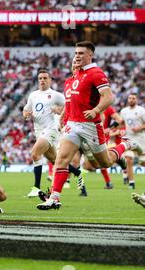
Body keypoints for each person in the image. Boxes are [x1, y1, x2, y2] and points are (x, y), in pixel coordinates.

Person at [38, 41, 140, 210]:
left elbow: (108, 97)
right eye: (75, 53)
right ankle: (54, 199)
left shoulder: (96, 73)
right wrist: (63, 118)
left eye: (80, 53)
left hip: (91, 125)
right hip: (73, 125)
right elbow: (70, 103)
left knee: (105, 162)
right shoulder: (73, 78)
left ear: (90, 55)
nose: (76, 56)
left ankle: (127, 144)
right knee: (62, 159)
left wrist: (96, 110)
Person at [23, 69, 79, 197]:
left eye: (45, 78)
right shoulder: (33, 95)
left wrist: (60, 112)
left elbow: (69, 106)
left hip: (51, 129)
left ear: (50, 80)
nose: (42, 80)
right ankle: (78, 173)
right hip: (38, 130)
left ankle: (36, 187)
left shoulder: (55, 95)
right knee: (56, 160)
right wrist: (26, 114)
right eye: (40, 78)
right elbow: (26, 110)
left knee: (35, 154)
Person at [120, 94, 145, 190]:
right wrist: (121, 130)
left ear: (136, 99)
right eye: (129, 98)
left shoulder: (141, 110)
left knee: (143, 162)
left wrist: (139, 128)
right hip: (129, 140)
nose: (131, 100)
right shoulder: (124, 111)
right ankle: (131, 183)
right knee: (128, 159)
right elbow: (122, 124)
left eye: (133, 98)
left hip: (141, 140)